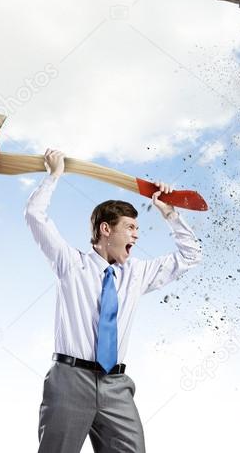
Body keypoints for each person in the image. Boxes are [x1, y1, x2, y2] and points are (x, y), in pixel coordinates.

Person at [25, 148, 203, 452]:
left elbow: (191, 256)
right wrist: (53, 176)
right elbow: (35, 216)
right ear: (106, 230)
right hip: (70, 380)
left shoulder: (137, 273)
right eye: (130, 228)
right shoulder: (71, 264)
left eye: (138, 228)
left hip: (116, 385)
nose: (136, 235)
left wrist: (169, 213)